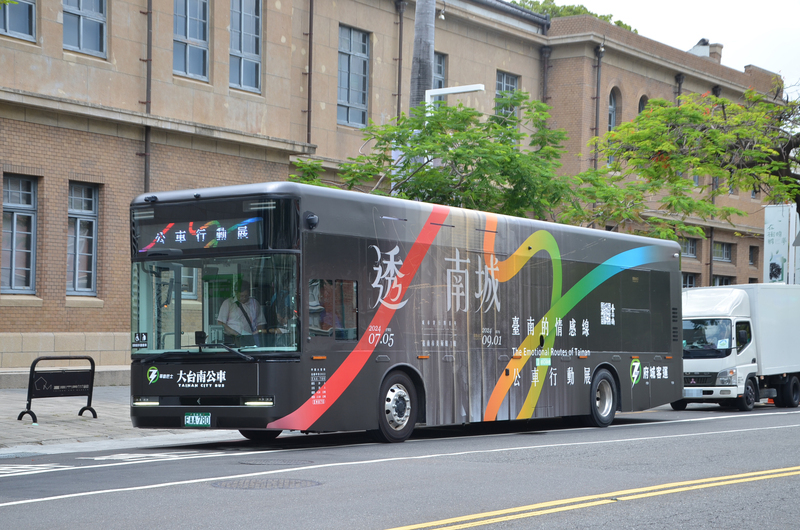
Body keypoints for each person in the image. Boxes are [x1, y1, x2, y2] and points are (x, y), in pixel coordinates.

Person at [217, 281, 267, 346]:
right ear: (235, 293)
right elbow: (221, 323)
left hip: (249, 339)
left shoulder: (254, 303)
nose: (243, 298)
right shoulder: (228, 303)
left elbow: (261, 322)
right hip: (232, 339)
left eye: (246, 296)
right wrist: (236, 334)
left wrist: (257, 332)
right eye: (241, 296)